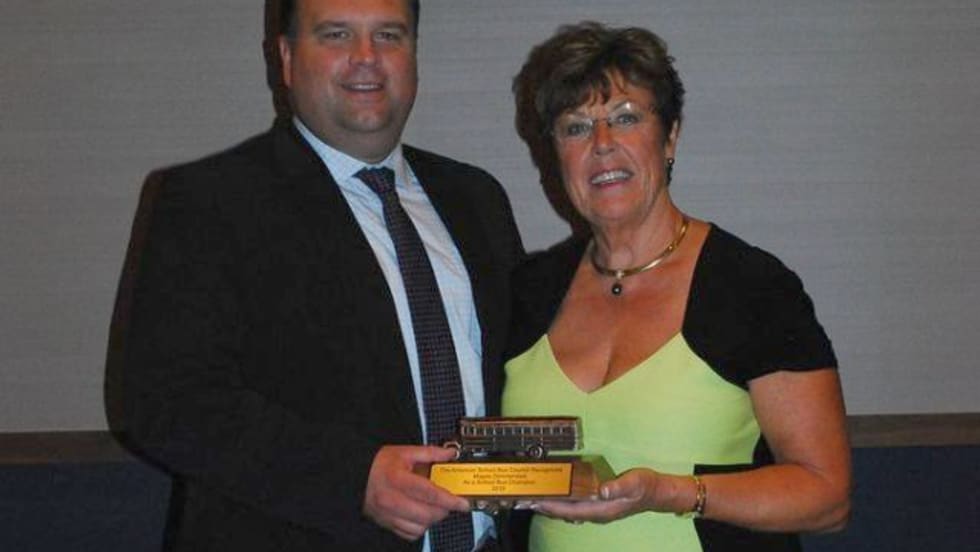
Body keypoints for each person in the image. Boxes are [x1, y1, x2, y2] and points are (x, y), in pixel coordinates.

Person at [119, 0, 523, 550]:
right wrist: (354, 479)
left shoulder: (476, 199)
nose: (366, 57)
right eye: (336, 35)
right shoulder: (211, 202)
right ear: (286, 59)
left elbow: (521, 372)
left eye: (389, 36)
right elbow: (167, 403)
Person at [501, 22, 851, 551]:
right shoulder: (527, 291)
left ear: (669, 137)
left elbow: (827, 498)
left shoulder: (754, 289)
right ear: (554, 154)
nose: (601, 145)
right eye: (575, 127)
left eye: (626, 118)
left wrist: (672, 493)